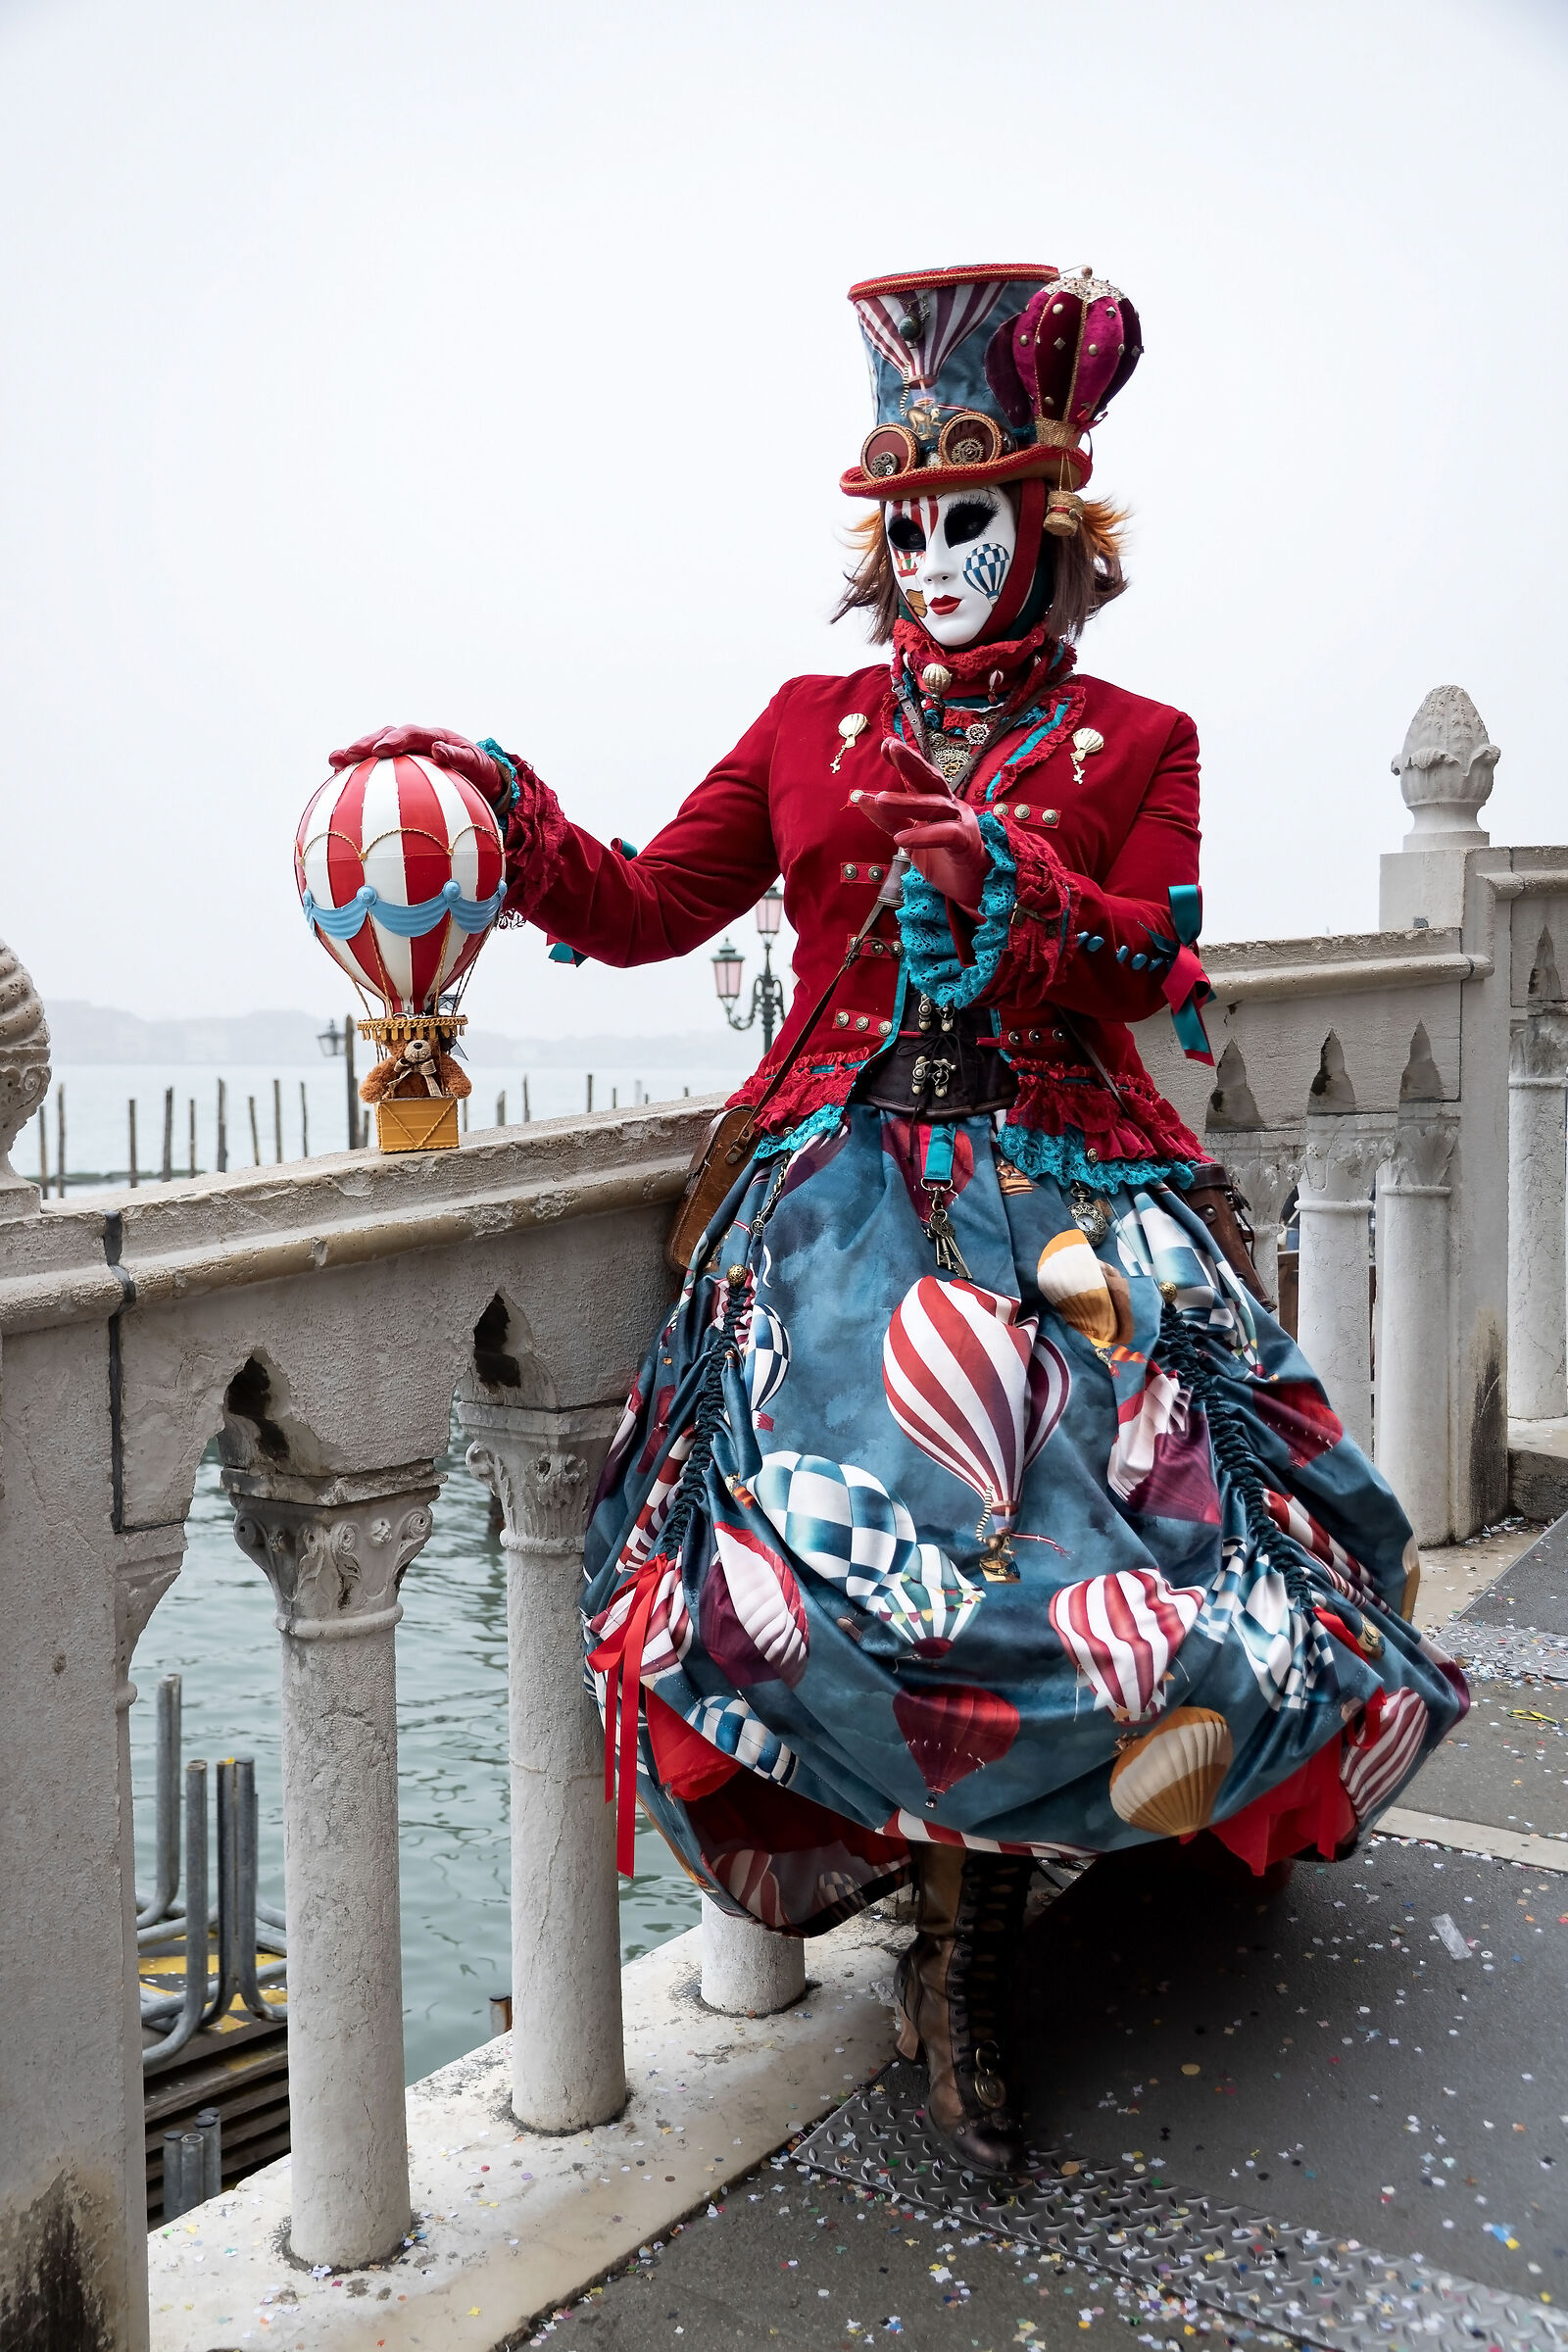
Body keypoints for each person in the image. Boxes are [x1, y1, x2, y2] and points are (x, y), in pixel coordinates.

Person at [332, 262, 1466, 2178]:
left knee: (1152, 1550)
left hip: (1066, 1191)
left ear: (1047, 527)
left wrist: (1028, 889)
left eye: (974, 518)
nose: (938, 555)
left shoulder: (1140, 742)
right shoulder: (798, 726)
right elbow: (636, 905)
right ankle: (929, 1910)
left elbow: (1156, 966)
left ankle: (992, 1915)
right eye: (908, 527)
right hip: (839, 1198)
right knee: (872, 1550)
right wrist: (496, 813)